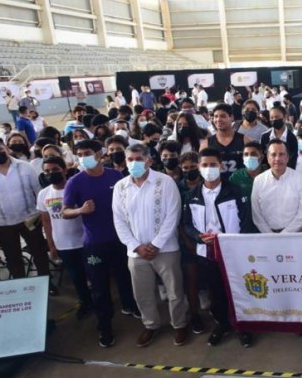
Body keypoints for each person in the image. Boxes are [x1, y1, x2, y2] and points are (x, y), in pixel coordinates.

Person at [112, 143, 190, 348]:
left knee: (174, 291)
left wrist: (156, 244)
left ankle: (179, 324)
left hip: (166, 248)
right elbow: (119, 220)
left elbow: (173, 215)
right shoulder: (121, 187)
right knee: (142, 293)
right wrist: (136, 246)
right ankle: (151, 324)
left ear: (149, 160)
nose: (134, 163)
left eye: (139, 159)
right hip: (136, 252)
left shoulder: (165, 182)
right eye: (130, 159)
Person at [63, 139, 138, 348]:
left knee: (125, 277)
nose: (83, 158)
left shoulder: (115, 176)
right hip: (94, 243)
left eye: (87, 153)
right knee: (99, 287)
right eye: (79, 154)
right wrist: (80, 210)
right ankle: (105, 326)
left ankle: (130, 305)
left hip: (121, 239)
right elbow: (65, 211)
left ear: (99, 154)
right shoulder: (75, 182)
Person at [181, 148, 254, 347]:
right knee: (215, 290)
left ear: (221, 166)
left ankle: (243, 326)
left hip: (233, 252)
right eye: (205, 165)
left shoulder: (235, 191)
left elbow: (246, 222)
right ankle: (223, 323)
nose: (209, 168)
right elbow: (186, 224)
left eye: (213, 164)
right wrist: (199, 237)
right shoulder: (192, 195)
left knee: (238, 289)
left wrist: (237, 244)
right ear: (199, 167)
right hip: (208, 253)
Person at [0, 135, 47, 281]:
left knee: (40, 253)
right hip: (1, 224)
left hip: (30, 220)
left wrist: (41, 215)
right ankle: (20, 286)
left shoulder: (25, 167)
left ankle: (47, 284)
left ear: (6, 148)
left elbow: (38, 192)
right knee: (13, 259)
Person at [37, 156, 92, 318]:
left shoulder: (76, 187)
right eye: (47, 171)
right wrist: (51, 244)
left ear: (65, 170)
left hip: (85, 240)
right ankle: (85, 303)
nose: (51, 174)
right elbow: (46, 221)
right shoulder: (44, 194)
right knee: (76, 277)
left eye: (55, 169)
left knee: (94, 274)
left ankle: (101, 301)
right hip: (64, 244)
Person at [251, 140, 302, 233]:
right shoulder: (259, 181)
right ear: (268, 158)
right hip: (267, 236)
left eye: (281, 154)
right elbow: (256, 214)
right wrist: (270, 235)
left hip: (294, 235)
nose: (277, 159)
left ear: (287, 157)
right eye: (273, 155)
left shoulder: (299, 178)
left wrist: (285, 233)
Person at [207, 103, 247, 180]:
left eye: (223, 116)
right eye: (216, 116)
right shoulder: (206, 143)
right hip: (218, 185)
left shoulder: (245, 140)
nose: (218, 119)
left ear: (231, 117)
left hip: (239, 185)